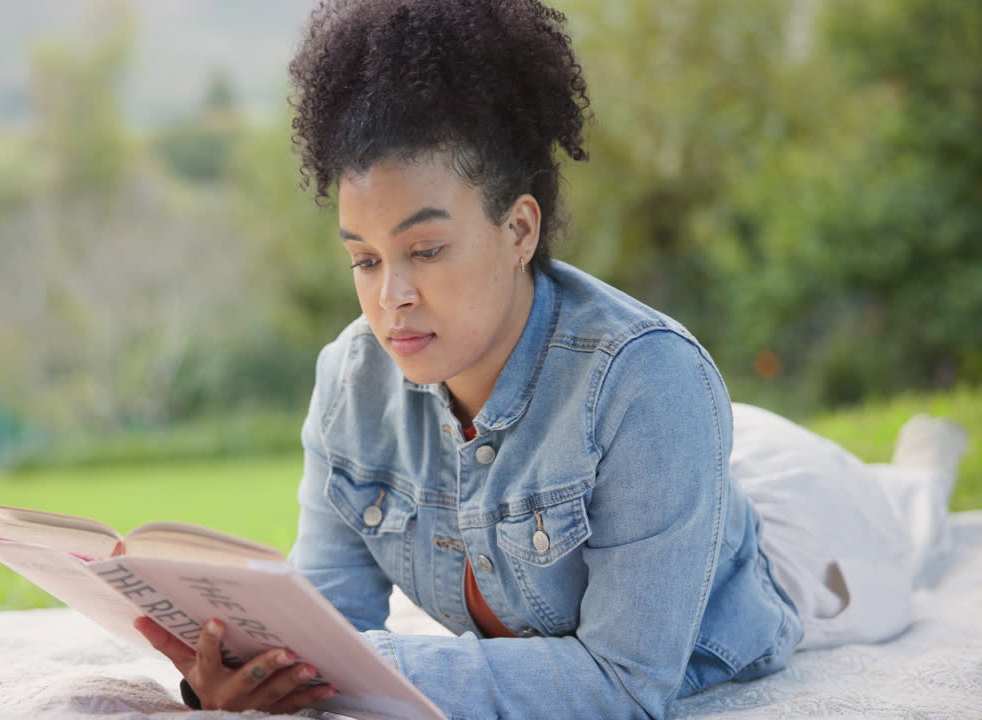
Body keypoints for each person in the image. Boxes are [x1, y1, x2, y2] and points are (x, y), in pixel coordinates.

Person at [133, 1, 971, 716]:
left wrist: (351, 670)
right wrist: (257, 680)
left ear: (519, 229)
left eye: (425, 250)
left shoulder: (651, 380)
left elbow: (622, 685)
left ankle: (922, 467)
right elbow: (332, 628)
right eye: (364, 257)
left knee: (909, 525)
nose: (390, 296)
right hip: (684, 455)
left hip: (799, 544)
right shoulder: (351, 383)